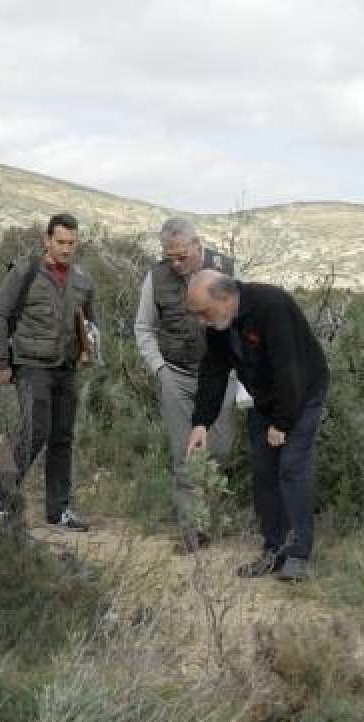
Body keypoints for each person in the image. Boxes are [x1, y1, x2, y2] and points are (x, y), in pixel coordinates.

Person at [185, 270, 329, 581]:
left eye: (202, 312)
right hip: (263, 397)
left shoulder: (272, 306)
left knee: (291, 467)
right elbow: (213, 372)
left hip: (301, 392)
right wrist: (201, 423)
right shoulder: (218, 324)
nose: (200, 321)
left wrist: (282, 423)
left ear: (224, 298)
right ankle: (273, 551)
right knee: (263, 469)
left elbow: (289, 369)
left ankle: (298, 555)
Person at [0, 213, 96, 532]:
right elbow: (1, 315)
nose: (65, 249)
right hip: (31, 365)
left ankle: (59, 510)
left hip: (67, 367)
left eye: (71, 243)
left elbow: (90, 324)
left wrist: (90, 351)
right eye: (60, 242)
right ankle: (0, 498)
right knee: (35, 431)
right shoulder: (26, 271)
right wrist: (2, 362)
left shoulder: (83, 281)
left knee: (63, 436)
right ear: (47, 240)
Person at [134, 217, 239, 553]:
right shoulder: (156, 277)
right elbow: (144, 328)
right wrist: (160, 370)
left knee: (219, 450)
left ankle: (214, 518)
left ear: (199, 244)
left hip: (221, 377)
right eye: (170, 257)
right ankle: (194, 533)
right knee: (185, 455)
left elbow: (244, 322)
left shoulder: (227, 271)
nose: (176, 264)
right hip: (175, 374)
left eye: (182, 256)